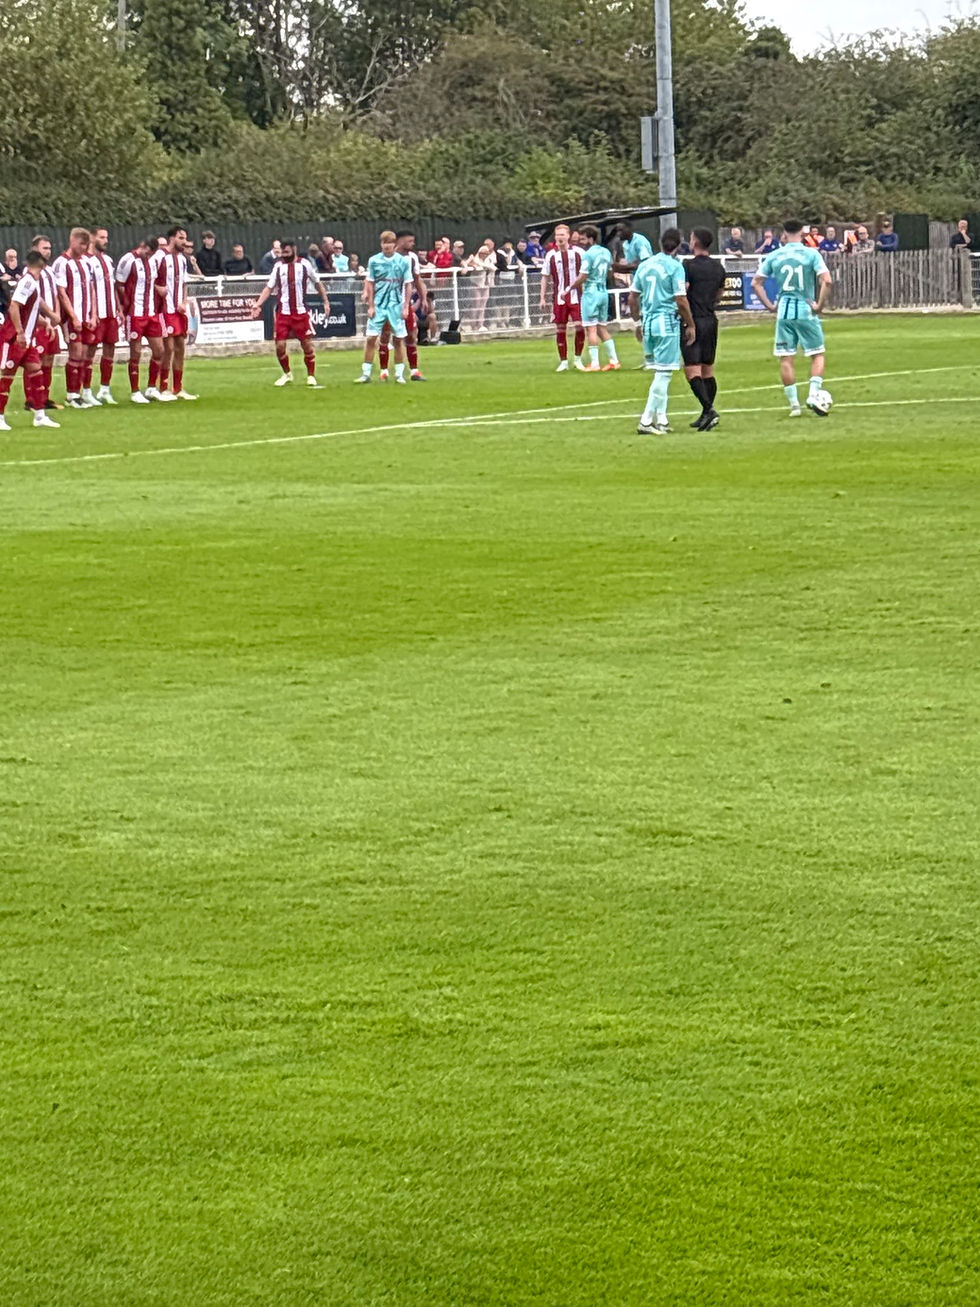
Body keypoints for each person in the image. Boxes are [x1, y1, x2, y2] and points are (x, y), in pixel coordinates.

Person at [751, 218, 832, 418]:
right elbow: (827, 281)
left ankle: (794, 406)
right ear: (803, 234)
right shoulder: (811, 253)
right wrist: (819, 305)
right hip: (805, 308)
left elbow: (756, 283)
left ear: (784, 234)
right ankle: (813, 395)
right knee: (818, 354)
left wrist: (770, 305)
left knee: (786, 358)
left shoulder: (775, 255)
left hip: (784, 310)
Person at [629, 229, 696, 435]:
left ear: (659, 243)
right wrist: (691, 324)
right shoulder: (675, 267)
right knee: (664, 373)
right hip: (666, 322)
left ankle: (662, 419)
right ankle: (646, 420)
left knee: (660, 369)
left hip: (648, 323)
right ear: (678, 245)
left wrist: (637, 322)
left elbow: (633, 297)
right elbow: (681, 299)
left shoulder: (645, 265)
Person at [249, 238, 330, 388]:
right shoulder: (278, 267)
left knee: (307, 345)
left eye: (286, 252)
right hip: (283, 313)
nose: (284, 255)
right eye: (282, 252)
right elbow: (269, 287)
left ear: (294, 250)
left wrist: (326, 301)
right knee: (279, 345)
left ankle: (311, 376)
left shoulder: (305, 264)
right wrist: (258, 304)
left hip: (300, 313)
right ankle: (287, 374)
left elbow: (317, 283)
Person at [0, 250, 62, 432]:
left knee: (36, 373)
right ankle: (0, 416)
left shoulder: (33, 282)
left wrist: (46, 321)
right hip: (15, 339)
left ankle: (40, 416)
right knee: (6, 377)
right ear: (42, 264)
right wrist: (19, 332)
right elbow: (14, 306)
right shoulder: (27, 281)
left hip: (27, 340)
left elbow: (33, 308)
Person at [682, 228, 726, 431]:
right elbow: (719, 294)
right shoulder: (718, 267)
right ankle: (705, 413)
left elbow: (684, 290)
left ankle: (708, 409)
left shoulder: (688, 266)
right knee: (708, 370)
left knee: (692, 369)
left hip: (694, 320)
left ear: (695, 242)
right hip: (711, 319)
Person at [356, 230, 412, 384]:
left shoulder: (404, 261)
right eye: (384, 243)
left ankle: (399, 374)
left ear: (394, 244)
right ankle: (366, 374)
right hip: (379, 305)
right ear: (381, 244)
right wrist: (371, 306)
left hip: (396, 305)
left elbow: (408, 284)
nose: (387, 246)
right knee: (371, 338)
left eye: (389, 243)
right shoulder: (374, 260)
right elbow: (371, 283)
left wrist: (406, 306)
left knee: (398, 339)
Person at [115, 236, 167, 403]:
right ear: (142, 246)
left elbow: (154, 283)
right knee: (135, 352)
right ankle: (135, 391)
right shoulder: (128, 260)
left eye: (152, 254)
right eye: (148, 252)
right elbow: (119, 285)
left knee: (159, 350)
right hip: (135, 314)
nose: (149, 256)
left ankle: (152, 387)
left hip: (150, 313)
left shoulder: (153, 262)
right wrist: (124, 306)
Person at [52, 227, 96, 409]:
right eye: (81, 244)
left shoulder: (86, 262)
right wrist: (73, 317)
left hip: (87, 317)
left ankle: (80, 393)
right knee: (75, 354)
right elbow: (61, 292)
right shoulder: (62, 263)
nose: (84, 248)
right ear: (72, 241)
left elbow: (91, 288)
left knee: (85, 355)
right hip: (72, 319)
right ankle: (72, 395)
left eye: (86, 245)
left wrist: (93, 314)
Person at [151, 224, 197, 401]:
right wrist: (158, 291)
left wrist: (184, 302)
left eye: (185, 238)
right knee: (167, 348)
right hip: (164, 309)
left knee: (180, 347)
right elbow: (150, 279)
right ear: (172, 238)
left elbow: (184, 283)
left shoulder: (182, 260)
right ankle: (163, 387)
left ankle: (178, 388)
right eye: (181, 238)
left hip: (178, 310)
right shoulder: (160, 257)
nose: (184, 242)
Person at [377, 230, 427, 380]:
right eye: (410, 241)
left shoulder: (412, 258)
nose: (413, 244)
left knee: (411, 334)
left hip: (404, 303)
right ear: (399, 241)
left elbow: (417, 279)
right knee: (386, 335)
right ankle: (384, 371)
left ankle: (414, 371)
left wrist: (423, 298)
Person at [570, 225, 619, 372]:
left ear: (591, 238)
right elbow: (610, 273)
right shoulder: (606, 252)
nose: (581, 242)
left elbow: (583, 275)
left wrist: (571, 287)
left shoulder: (588, 254)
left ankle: (595, 363)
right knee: (601, 328)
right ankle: (614, 360)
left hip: (591, 293)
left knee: (590, 328)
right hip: (603, 292)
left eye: (583, 239)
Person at [539, 223, 585, 371]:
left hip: (577, 296)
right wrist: (542, 297)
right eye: (557, 235)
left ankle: (578, 359)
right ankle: (563, 361)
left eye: (562, 235)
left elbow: (586, 274)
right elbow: (545, 277)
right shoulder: (551, 255)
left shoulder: (579, 253)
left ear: (568, 236)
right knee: (560, 329)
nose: (560, 237)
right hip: (559, 298)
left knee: (579, 327)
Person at [85, 226, 121, 406]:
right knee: (90, 351)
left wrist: (119, 309)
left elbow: (112, 286)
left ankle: (105, 389)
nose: (105, 240)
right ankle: (86, 390)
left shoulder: (108, 260)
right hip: (97, 314)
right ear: (92, 238)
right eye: (101, 237)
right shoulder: (86, 260)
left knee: (110, 350)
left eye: (106, 237)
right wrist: (92, 312)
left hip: (111, 313)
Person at [29, 235, 63, 412]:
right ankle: (32, 399)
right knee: (36, 360)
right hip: (39, 323)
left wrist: (56, 314)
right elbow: (35, 298)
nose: (48, 251)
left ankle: (44, 397)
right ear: (35, 249)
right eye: (44, 248)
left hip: (51, 321)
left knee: (49, 359)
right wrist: (47, 315)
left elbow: (55, 294)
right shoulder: (32, 272)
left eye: (49, 248)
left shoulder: (49, 271)